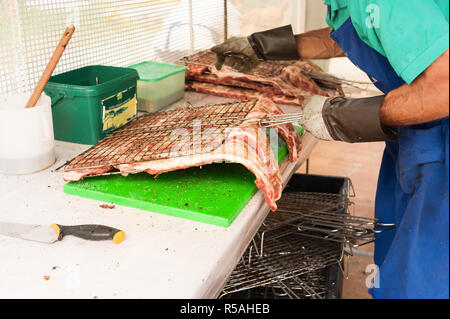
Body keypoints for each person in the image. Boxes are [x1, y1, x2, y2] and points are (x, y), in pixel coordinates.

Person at [211, 0, 449, 299]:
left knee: (425, 276)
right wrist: (262, 46)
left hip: (441, 138)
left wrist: (341, 116)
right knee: (399, 250)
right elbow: (362, 32)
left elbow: (444, 87)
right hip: (419, 135)